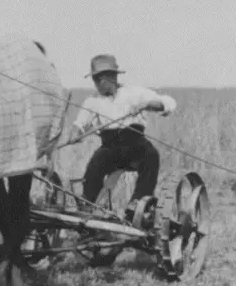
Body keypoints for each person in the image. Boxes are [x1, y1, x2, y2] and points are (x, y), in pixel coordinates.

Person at [68, 54, 176, 210]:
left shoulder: (135, 93)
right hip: (109, 148)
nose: (96, 83)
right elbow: (79, 124)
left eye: (99, 79)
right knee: (94, 166)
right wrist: (75, 133)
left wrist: (149, 104)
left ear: (112, 77)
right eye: (94, 79)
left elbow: (169, 103)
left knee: (152, 156)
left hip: (135, 144)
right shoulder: (92, 101)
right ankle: (88, 206)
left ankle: (138, 205)